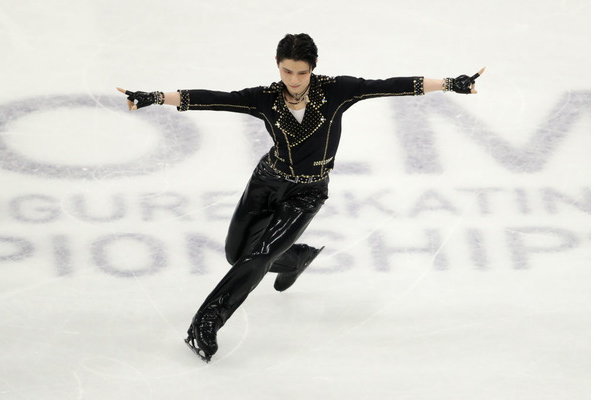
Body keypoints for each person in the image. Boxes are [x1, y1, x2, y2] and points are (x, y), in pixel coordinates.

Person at [117, 33, 485, 363]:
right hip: (266, 181)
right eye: (287, 72)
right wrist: (154, 97)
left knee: (259, 257)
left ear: (314, 68)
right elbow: (212, 99)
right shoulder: (265, 99)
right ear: (278, 67)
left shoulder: (336, 91)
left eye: (301, 73)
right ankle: (295, 260)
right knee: (236, 255)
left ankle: (206, 322)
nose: (293, 81)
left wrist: (451, 84)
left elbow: (391, 85)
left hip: (308, 192)